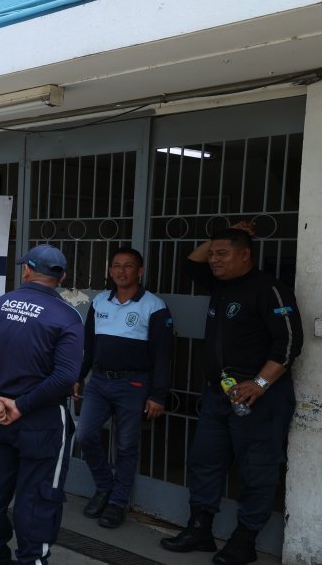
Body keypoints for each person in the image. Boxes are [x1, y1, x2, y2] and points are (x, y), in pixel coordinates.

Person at [160, 224, 302, 565]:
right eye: (212, 253)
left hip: (258, 400)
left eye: (222, 253)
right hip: (217, 397)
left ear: (245, 254)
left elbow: (289, 343)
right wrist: (220, 238)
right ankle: (200, 529)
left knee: (256, 470)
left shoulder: (270, 289)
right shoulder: (219, 284)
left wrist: (260, 384)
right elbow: (190, 265)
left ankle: (245, 540)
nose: (213, 259)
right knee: (204, 463)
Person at [0, 244, 84, 565]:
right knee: (38, 500)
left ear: (27, 270)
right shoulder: (68, 316)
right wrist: (20, 405)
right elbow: (66, 377)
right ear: (61, 277)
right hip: (42, 422)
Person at [73, 248, 172, 529]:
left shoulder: (154, 306)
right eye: (116, 265)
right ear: (110, 270)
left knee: (127, 445)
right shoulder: (100, 301)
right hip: (100, 381)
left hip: (134, 384)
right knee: (86, 434)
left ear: (139, 272)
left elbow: (163, 355)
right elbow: (89, 345)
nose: (121, 271)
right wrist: (79, 375)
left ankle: (118, 502)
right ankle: (104, 486)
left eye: (128, 266)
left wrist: (158, 395)